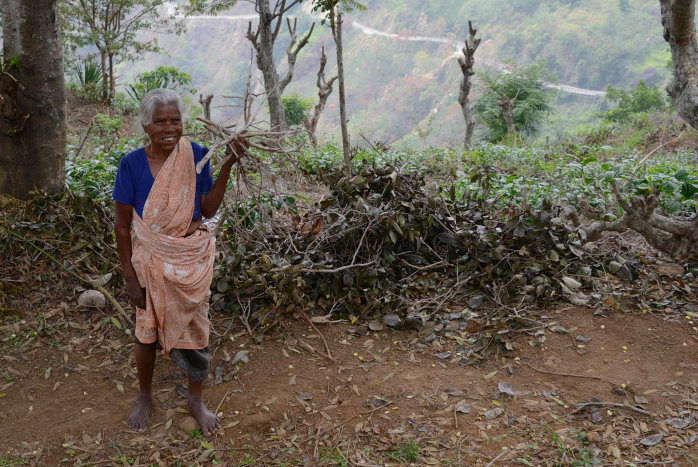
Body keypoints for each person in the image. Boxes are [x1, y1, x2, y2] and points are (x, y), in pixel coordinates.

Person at [113, 88, 246, 436]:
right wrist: (130, 277)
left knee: (196, 330)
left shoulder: (197, 154)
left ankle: (196, 400)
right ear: (146, 126)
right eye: (160, 122)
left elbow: (208, 210)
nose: (169, 128)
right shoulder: (131, 165)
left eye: (175, 120)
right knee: (146, 333)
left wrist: (228, 164)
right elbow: (123, 227)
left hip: (189, 261)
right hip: (150, 263)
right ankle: (145, 396)